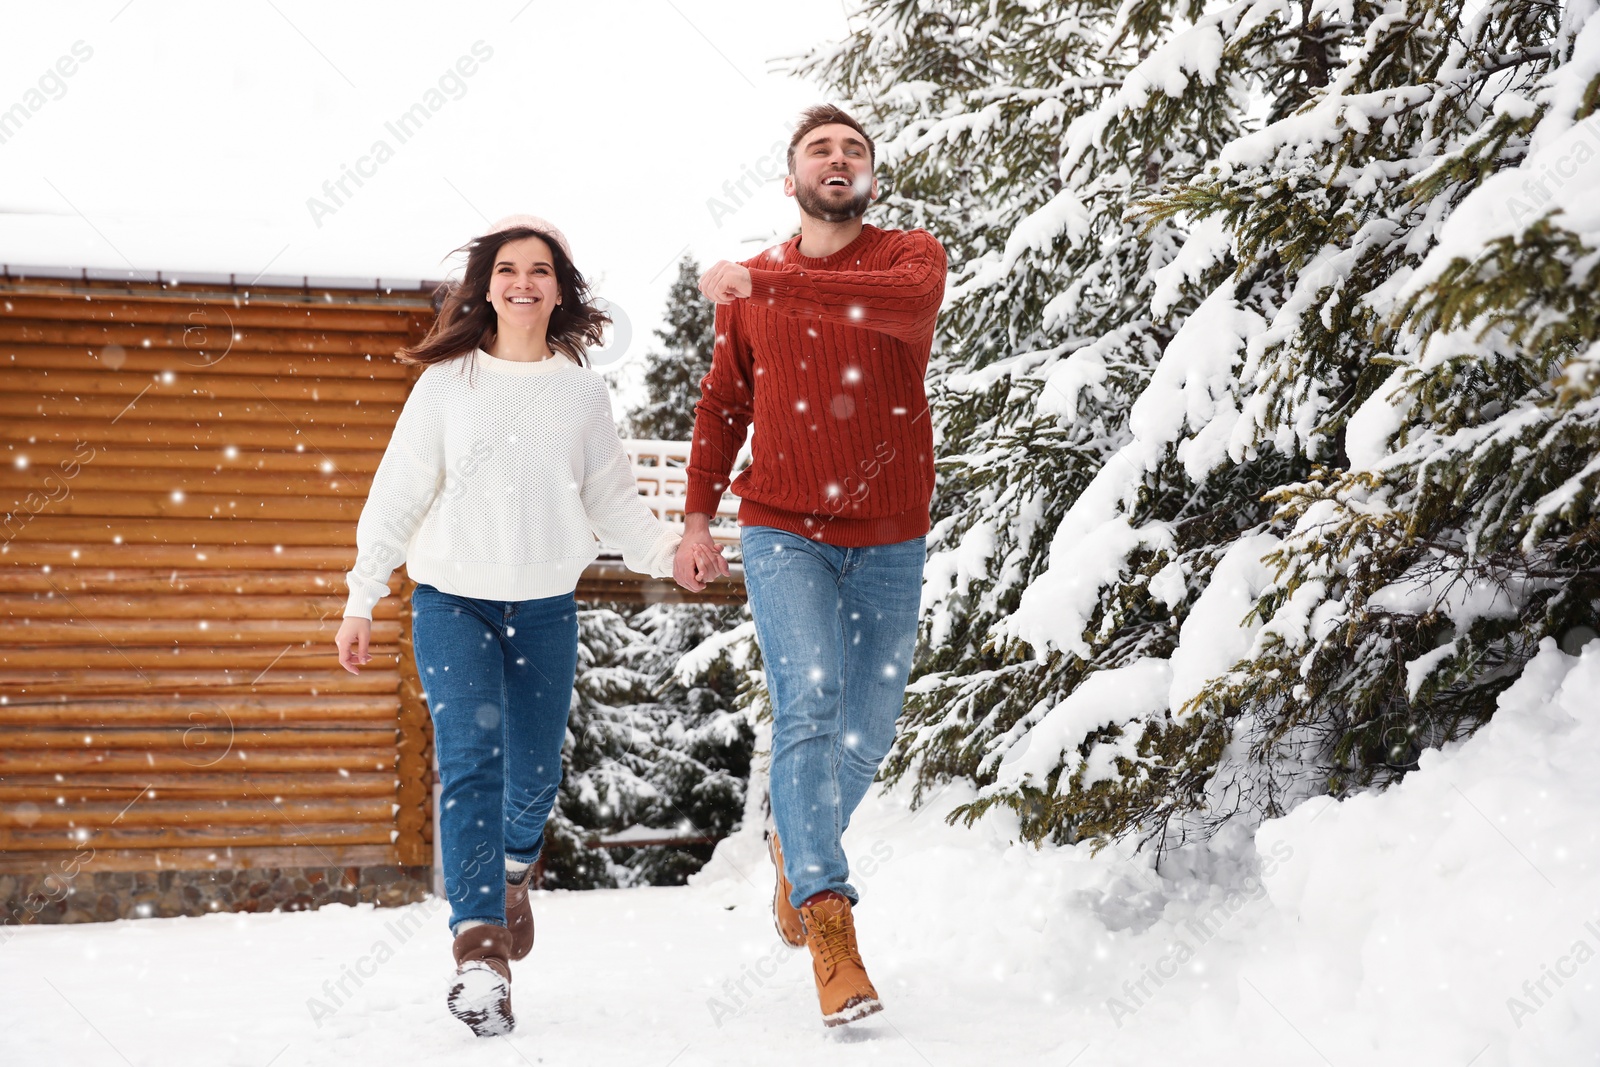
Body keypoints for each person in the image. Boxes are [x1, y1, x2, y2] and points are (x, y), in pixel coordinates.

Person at [333, 215, 719, 1037]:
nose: (522, 281)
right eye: (506, 268)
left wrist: (666, 552)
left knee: (535, 772)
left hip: (543, 602)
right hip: (451, 601)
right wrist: (362, 596)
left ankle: (514, 871)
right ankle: (479, 950)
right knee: (471, 761)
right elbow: (397, 493)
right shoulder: (446, 383)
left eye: (538, 269)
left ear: (558, 288)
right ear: (487, 286)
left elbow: (611, 497)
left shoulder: (580, 389)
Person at [676, 105, 947, 1027]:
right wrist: (696, 517)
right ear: (790, 179)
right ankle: (831, 926)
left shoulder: (909, 257)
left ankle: (799, 841)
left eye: (855, 151)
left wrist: (766, 280)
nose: (839, 160)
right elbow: (723, 404)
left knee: (869, 730)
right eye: (820, 150)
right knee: (809, 698)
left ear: (871, 177)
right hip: (782, 525)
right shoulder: (755, 290)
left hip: (890, 530)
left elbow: (893, 311)